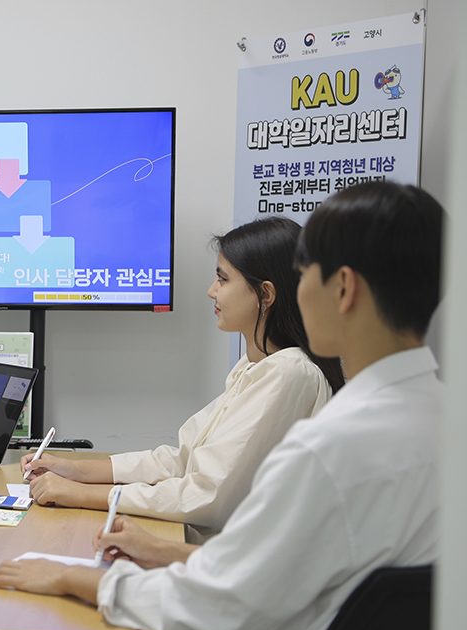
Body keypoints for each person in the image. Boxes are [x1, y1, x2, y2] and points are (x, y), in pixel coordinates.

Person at [0, 181, 444, 630]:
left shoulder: (326, 445)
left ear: (344, 288)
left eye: (306, 271)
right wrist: (158, 548)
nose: (211, 291)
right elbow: (273, 563)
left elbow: (221, 598)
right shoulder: (437, 417)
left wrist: (76, 578)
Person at [23, 217, 344, 539]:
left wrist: (79, 494)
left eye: (223, 279)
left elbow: (207, 496)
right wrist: (71, 470)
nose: (211, 291)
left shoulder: (289, 373)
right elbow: (181, 460)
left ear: (265, 294)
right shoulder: (256, 366)